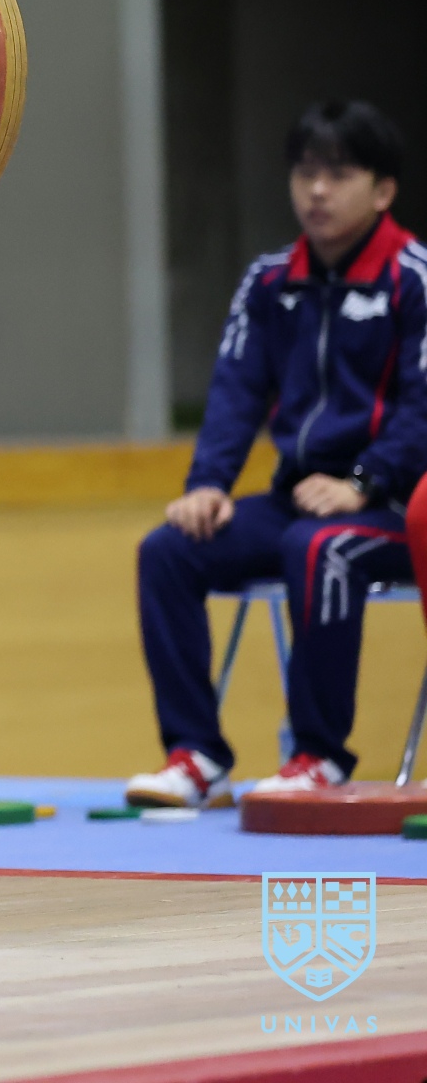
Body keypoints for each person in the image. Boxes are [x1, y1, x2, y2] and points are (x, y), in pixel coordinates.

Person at [127, 101, 427, 809]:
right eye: (305, 173)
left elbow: (424, 405)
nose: (316, 190)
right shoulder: (268, 283)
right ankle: (197, 755)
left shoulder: (414, 278)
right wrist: (207, 483)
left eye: (339, 174)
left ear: (383, 190)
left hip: (394, 509)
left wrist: (363, 480)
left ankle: (318, 756)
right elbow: (235, 391)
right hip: (297, 501)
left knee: (320, 549)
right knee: (167, 551)